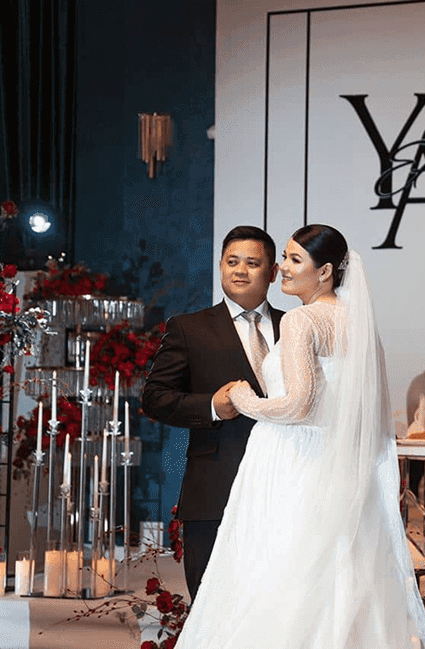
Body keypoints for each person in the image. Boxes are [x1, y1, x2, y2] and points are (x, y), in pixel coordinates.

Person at [176, 225, 425, 647]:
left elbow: (299, 406)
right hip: (335, 468)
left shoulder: (301, 320)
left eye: (295, 260)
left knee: (273, 578)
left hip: (291, 463)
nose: (282, 268)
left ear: (325, 271)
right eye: (284, 257)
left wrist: (244, 400)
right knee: (333, 580)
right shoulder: (358, 324)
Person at [142, 225, 284, 602]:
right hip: (213, 492)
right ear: (220, 266)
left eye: (252, 263)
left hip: (285, 492)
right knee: (212, 607)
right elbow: (154, 398)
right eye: (232, 262)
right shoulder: (189, 328)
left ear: (272, 272)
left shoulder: (295, 327)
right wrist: (211, 407)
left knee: (277, 609)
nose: (240, 271)